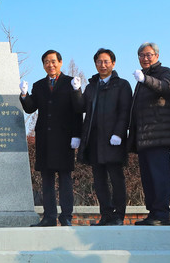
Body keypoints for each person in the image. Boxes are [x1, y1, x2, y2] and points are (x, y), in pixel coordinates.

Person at [21, 50, 84, 227]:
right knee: (47, 179)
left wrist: (76, 135)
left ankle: (66, 216)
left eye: (54, 61)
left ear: (60, 62)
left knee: (65, 179)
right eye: (47, 62)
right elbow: (30, 108)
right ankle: (49, 216)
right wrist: (24, 95)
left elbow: (78, 110)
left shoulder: (70, 82)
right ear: (43, 65)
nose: (51, 65)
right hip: (45, 139)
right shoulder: (39, 85)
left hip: (64, 139)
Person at [129, 42, 170, 226]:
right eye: (141, 55)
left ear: (157, 56)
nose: (145, 58)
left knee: (160, 176)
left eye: (149, 55)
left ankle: (162, 214)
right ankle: (153, 213)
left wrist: (145, 80)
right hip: (144, 138)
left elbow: (165, 88)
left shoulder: (164, 72)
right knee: (148, 179)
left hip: (159, 135)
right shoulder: (141, 80)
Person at [79, 48, 132, 226]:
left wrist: (118, 133)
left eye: (106, 61)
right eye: (99, 62)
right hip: (94, 140)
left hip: (113, 140)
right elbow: (81, 108)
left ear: (113, 63)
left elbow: (125, 112)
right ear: (95, 64)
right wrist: (75, 91)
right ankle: (106, 214)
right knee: (99, 180)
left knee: (116, 179)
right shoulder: (91, 86)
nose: (102, 65)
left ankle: (119, 215)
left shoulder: (122, 85)